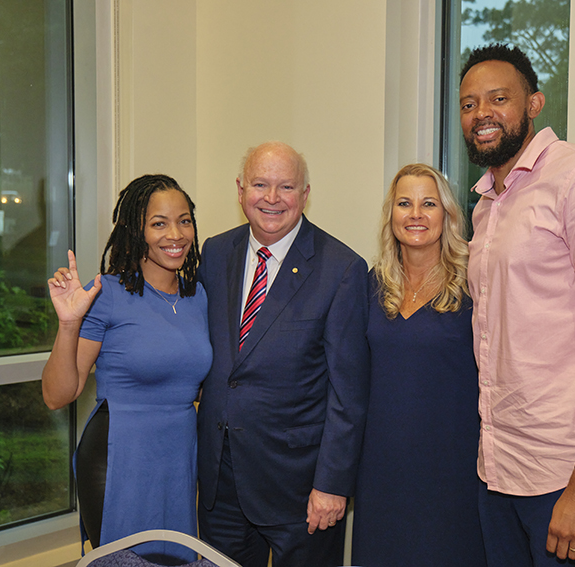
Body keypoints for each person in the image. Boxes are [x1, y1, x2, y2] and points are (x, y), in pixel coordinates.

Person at [460, 44, 575, 567]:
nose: (482, 114)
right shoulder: (487, 205)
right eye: (469, 103)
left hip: (568, 472)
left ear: (535, 103)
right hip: (499, 470)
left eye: (499, 98)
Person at [196, 141, 370, 567]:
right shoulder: (215, 253)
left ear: (305, 194)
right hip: (222, 486)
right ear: (240, 190)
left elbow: (349, 395)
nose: (271, 198)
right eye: (260, 184)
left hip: (301, 490)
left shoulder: (342, 269)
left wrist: (332, 485)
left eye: (286, 187)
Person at [42, 174, 212, 565]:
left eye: (184, 220)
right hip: (118, 457)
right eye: (159, 223)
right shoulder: (106, 294)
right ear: (136, 230)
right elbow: (57, 395)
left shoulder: (197, 296)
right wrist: (68, 324)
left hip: (178, 458)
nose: (176, 234)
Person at [351, 164, 487, 566]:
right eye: (404, 203)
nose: (415, 214)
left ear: (447, 214)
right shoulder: (371, 285)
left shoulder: (474, 282)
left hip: (453, 468)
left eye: (429, 204)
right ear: (390, 215)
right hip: (381, 468)